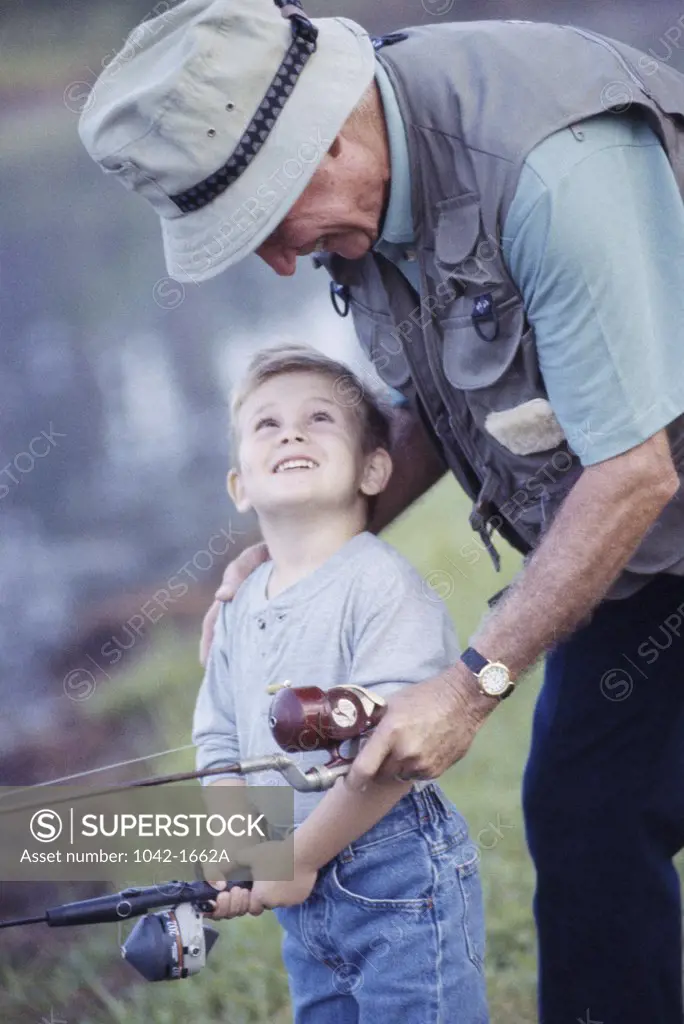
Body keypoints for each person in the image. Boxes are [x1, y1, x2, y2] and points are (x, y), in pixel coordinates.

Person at [78, 2, 684, 1020]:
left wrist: (473, 681)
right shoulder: (374, 186)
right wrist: (274, 552)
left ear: (323, 145)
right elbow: (434, 409)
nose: (280, 264)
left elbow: (635, 470)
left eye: (269, 226)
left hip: (638, 491)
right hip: (639, 548)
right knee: (588, 814)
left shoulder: (556, 170)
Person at [190, 342, 489, 1023]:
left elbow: (392, 757)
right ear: (240, 484)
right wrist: (246, 851)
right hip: (302, 894)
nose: (291, 431)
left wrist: (296, 859)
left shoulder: (382, 586)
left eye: (319, 418)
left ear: (375, 468)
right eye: (266, 424)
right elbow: (217, 740)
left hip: (397, 879)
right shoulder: (241, 601)